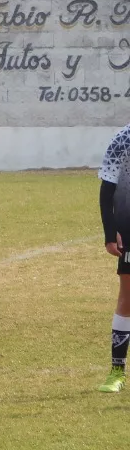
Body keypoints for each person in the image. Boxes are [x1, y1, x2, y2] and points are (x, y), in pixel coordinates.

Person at [97, 123, 130, 393]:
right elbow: (107, 191)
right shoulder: (123, 139)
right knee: (127, 298)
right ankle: (117, 372)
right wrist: (110, 233)